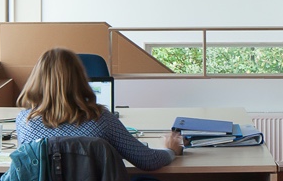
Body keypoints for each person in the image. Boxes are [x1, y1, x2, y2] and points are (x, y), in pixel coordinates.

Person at [14, 47, 182, 170]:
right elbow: (148, 161)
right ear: (81, 78)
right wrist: (170, 150)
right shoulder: (100, 120)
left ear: (36, 80)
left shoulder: (25, 122)